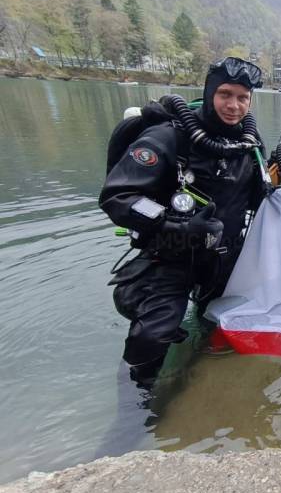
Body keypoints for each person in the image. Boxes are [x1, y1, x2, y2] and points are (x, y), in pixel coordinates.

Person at [99, 57, 268, 387]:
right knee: (152, 335)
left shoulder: (250, 147)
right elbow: (116, 197)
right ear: (208, 94)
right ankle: (136, 407)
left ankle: (202, 370)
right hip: (172, 254)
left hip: (223, 259)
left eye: (242, 98)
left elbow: (261, 201)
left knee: (224, 325)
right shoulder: (168, 137)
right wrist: (170, 225)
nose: (234, 105)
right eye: (225, 94)